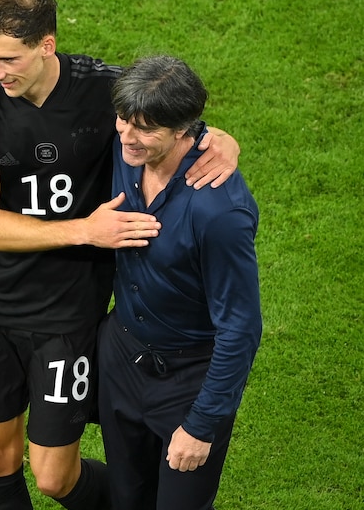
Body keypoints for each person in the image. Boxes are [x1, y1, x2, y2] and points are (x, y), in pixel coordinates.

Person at [0, 0, 240, 510]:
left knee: (54, 476)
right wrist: (85, 230)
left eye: (8, 59)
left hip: (66, 311)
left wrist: (219, 138)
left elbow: (169, 118)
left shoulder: (104, 87)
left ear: (47, 46)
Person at [98, 55, 262, 510]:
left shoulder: (219, 212)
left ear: (184, 130)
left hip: (189, 381)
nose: (127, 137)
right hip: (121, 358)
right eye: (124, 121)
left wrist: (202, 424)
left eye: (145, 129)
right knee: (127, 499)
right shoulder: (129, 147)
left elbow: (241, 328)